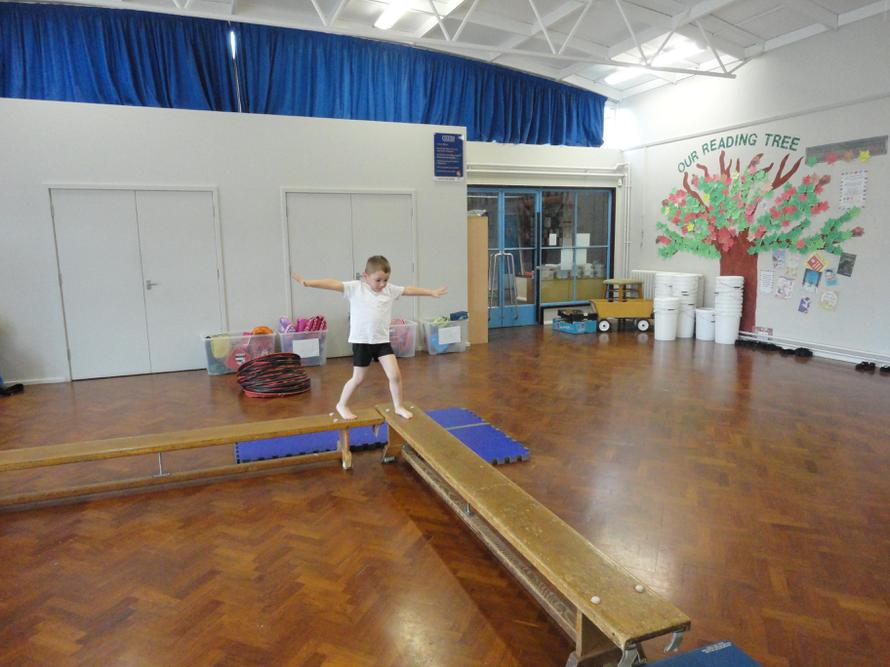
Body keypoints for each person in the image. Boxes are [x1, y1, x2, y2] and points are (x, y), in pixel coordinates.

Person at [291, 255, 447, 420]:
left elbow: (408, 290)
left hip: (382, 341)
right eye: (378, 280)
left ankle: (399, 406)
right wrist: (308, 282)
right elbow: (333, 283)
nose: (382, 284)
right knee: (358, 378)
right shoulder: (355, 288)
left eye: (385, 280)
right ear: (366, 276)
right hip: (362, 342)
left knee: (395, 375)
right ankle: (342, 405)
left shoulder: (389, 290)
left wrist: (431, 292)